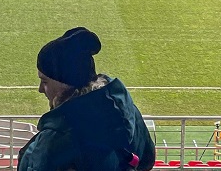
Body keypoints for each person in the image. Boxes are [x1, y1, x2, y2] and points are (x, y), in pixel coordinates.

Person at [17, 27, 155, 171]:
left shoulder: (58, 139)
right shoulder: (127, 109)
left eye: (44, 81)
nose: (40, 89)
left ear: (64, 84)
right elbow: (147, 159)